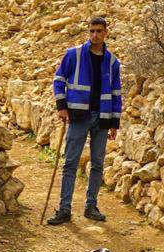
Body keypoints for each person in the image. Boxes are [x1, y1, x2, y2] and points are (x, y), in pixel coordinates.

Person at [47, 15, 123, 225]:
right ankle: (64, 209)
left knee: (97, 164)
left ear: (106, 32)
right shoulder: (74, 55)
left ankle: (91, 206)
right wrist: (62, 107)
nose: (95, 35)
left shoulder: (112, 62)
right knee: (70, 163)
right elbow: (58, 80)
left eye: (99, 31)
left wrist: (114, 122)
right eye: (91, 31)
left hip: (102, 118)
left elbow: (117, 93)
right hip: (78, 117)